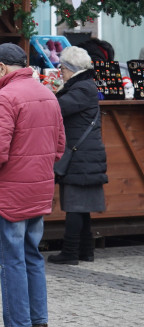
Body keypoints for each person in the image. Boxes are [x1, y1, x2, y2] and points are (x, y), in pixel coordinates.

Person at [0, 43, 64, 327]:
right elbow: (60, 145)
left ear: (1, 67)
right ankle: (39, 324)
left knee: (11, 257)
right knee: (32, 254)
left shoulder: (5, 98)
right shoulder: (46, 93)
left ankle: (18, 326)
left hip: (11, 190)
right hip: (38, 187)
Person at [49, 46, 107, 265]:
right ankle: (86, 251)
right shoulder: (84, 86)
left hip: (80, 156)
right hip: (85, 155)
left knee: (75, 205)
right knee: (82, 207)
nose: (60, 72)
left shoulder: (82, 88)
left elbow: (58, 108)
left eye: (62, 68)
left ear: (72, 69)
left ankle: (71, 252)